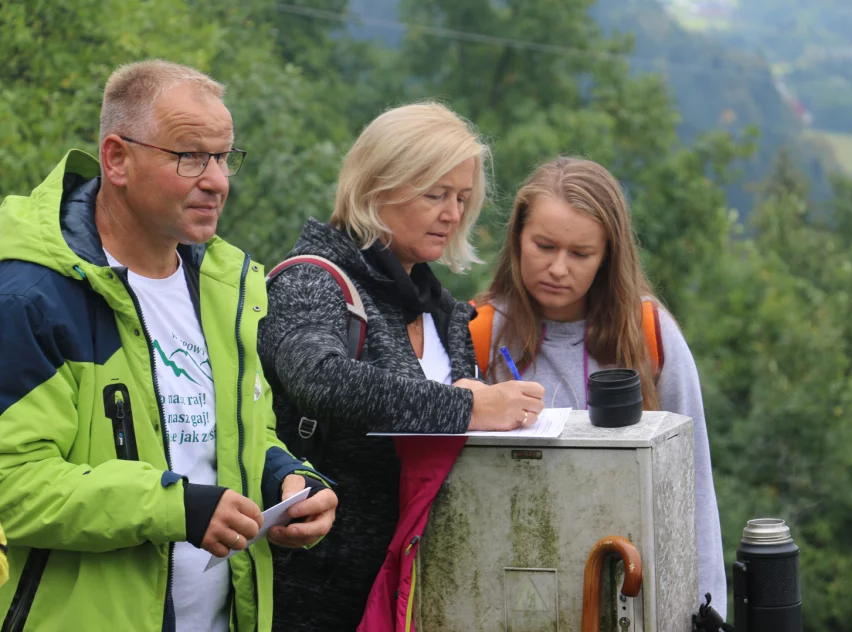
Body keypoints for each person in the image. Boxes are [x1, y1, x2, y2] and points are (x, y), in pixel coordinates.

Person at [0, 60, 337, 631]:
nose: (217, 180)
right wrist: (174, 507)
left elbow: (219, 435)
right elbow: (14, 485)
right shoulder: (33, 294)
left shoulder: (226, 289)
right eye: (189, 156)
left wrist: (284, 476)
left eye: (225, 156)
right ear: (117, 158)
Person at [259, 101, 546, 630]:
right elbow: (318, 378)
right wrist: (468, 406)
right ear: (375, 187)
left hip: (426, 594)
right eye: (435, 194)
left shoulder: (444, 312)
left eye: (462, 198)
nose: (453, 214)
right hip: (323, 600)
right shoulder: (312, 280)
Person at [471, 157, 728, 615]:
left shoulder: (650, 334)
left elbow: (693, 484)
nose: (558, 268)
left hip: (631, 590)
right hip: (509, 588)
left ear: (608, 255)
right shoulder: (480, 333)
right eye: (544, 246)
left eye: (580, 254)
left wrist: (706, 606)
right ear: (516, 240)